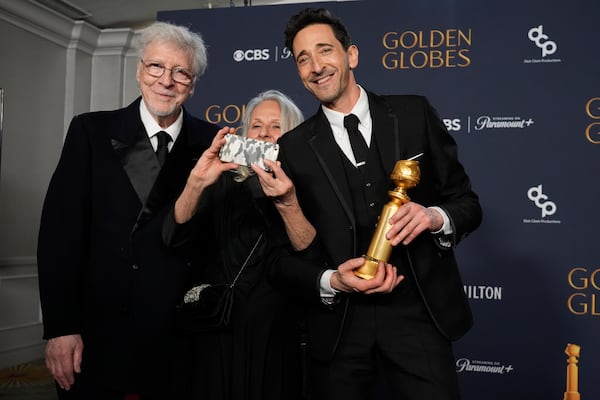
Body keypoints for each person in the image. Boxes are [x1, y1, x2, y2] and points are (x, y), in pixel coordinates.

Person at [268, 7, 483, 400]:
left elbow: (466, 202)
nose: (316, 66)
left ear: (351, 55)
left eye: (325, 51)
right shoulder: (291, 150)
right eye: (303, 59)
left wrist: (434, 217)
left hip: (418, 315)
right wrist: (331, 280)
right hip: (338, 326)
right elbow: (281, 258)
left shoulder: (413, 113)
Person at [36, 21, 219, 400]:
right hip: (99, 331)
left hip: (181, 336)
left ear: (193, 84)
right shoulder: (91, 132)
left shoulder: (211, 143)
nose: (165, 80)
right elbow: (59, 236)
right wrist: (60, 327)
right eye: (156, 67)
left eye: (180, 72)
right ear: (139, 71)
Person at [164, 89, 312, 400]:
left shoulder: (307, 187)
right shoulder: (222, 179)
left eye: (276, 125)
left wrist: (287, 200)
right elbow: (174, 236)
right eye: (256, 125)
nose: (264, 133)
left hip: (275, 327)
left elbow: (312, 254)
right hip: (219, 321)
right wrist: (196, 183)